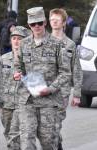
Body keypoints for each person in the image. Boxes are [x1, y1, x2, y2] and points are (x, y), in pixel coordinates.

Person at [13, 7, 71, 150]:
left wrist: (50, 89)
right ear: (29, 25)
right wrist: (17, 74)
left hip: (49, 102)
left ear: (45, 22)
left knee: (48, 142)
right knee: (27, 141)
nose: (36, 26)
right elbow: (17, 66)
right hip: (28, 100)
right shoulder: (24, 44)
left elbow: (65, 73)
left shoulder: (57, 45)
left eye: (39, 23)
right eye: (33, 24)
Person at [49, 8, 83, 150]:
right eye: (52, 19)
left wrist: (76, 94)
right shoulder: (42, 41)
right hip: (42, 90)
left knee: (55, 125)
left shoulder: (70, 45)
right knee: (44, 127)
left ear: (64, 23)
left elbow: (76, 69)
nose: (54, 22)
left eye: (57, 20)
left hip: (61, 93)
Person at [1, 26, 29, 150]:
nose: (16, 41)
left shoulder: (30, 59)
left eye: (19, 39)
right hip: (6, 104)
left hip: (23, 103)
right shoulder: (3, 59)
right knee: (8, 134)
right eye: (14, 38)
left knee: (17, 134)